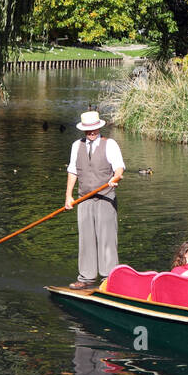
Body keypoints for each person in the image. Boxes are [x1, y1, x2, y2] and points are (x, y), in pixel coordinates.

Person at [64, 110, 125, 291]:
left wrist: (116, 177)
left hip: (105, 197)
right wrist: (68, 195)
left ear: (99, 128)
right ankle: (86, 278)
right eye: (88, 130)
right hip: (84, 198)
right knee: (86, 238)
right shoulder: (77, 145)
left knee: (107, 239)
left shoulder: (110, 144)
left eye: (94, 129)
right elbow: (73, 171)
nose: (91, 133)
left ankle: (109, 279)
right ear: (84, 130)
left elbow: (119, 167)